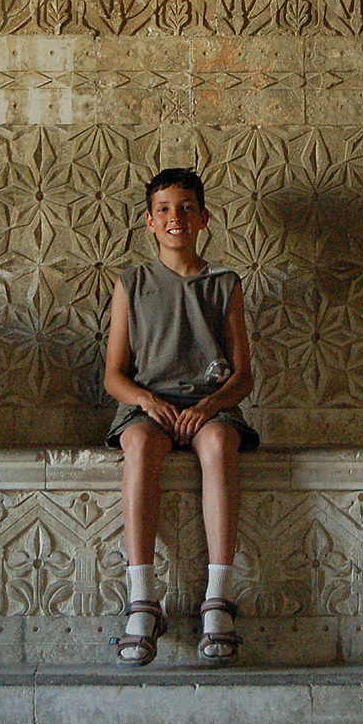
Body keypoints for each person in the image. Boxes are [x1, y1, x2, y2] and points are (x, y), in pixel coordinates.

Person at [103, 167, 258, 667]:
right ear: (150, 221)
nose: (177, 217)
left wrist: (210, 407)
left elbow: (243, 375)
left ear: (204, 217)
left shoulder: (224, 283)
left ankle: (219, 599)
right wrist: (147, 403)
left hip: (207, 407)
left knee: (218, 444)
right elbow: (114, 375)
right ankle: (143, 599)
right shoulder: (132, 284)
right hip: (150, 407)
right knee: (142, 446)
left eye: (187, 207)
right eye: (165, 209)